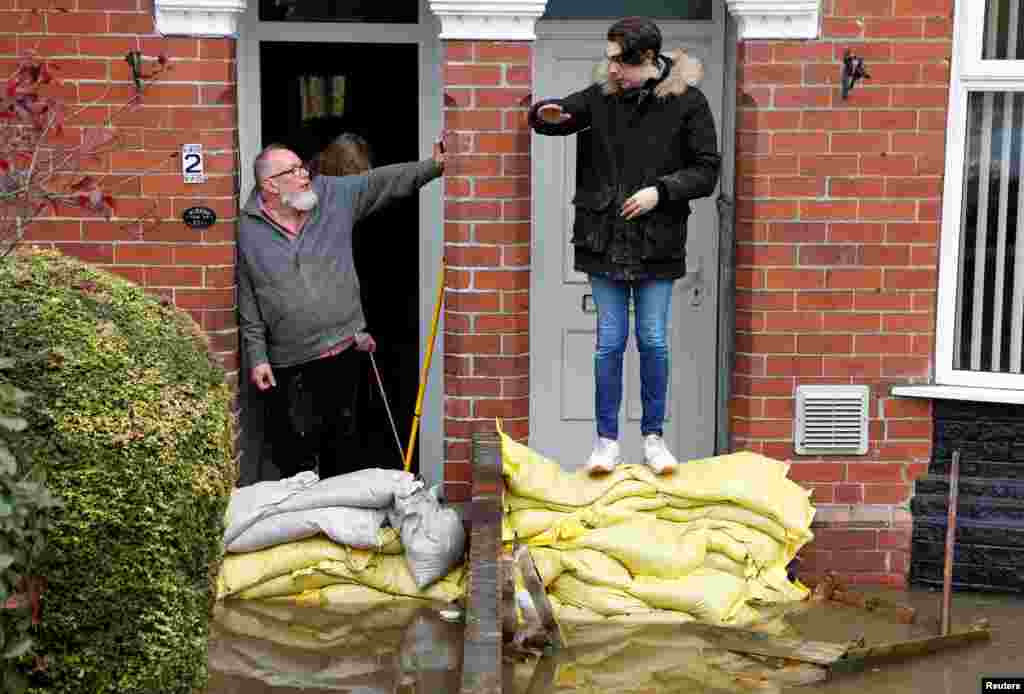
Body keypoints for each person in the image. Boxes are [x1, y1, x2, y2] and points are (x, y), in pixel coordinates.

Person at [528, 17, 721, 476]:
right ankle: (606, 443)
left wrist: (662, 191)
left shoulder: (689, 103)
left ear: (649, 60)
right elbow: (558, 117)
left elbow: (707, 170)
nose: (611, 69)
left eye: (620, 61)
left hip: (657, 246)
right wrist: (545, 113)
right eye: (610, 58)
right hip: (604, 242)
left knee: (652, 341)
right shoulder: (601, 97)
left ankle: (653, 438)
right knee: (608, 344)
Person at [238, 138, 445, 479]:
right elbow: (249, 296)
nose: (305, 174)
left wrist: (431, 167)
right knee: (294, 459)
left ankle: (340, 525)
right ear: (270, 185)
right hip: (289, 363)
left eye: (302, 166)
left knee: (342, 451)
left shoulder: (332, 196)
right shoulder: (248, 229)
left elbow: (379, 181)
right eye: (293, 171)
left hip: (343, 352)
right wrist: (257, 355)